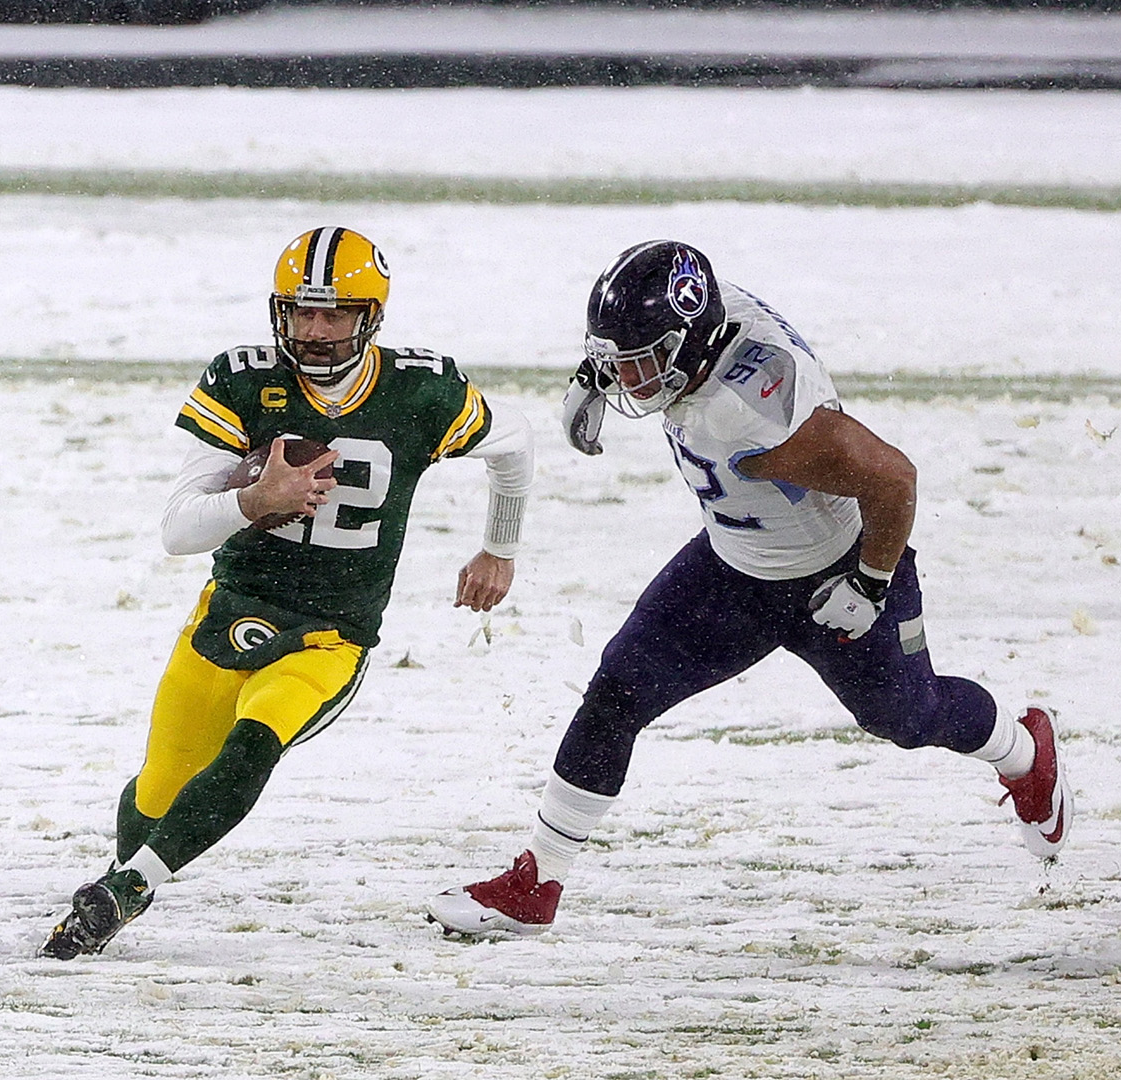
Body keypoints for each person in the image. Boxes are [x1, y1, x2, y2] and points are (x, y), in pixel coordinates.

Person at [428, 240, 1071, 937]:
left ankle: (1025, 752)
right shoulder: (707, 311)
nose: (629, 381)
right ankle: (540, 881)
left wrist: (871, 580)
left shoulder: (752, 412)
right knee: (618, 690)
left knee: (907, 718)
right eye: (619, 362)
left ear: (690, 343)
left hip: (835, 575)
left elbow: (894, 479)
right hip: (735, 564)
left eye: (638, 366)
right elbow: (658, 327)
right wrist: (600, 372)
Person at [45, 226, 533, 958]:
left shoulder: (420, 390)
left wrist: (499, 546)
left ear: (371, 317)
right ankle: (125, 879)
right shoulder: (244, 381)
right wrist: (253, 500)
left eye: (335, 313)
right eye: (301, 311)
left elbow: (514, 443)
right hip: (232, 609)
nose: (314, 329)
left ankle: (130, 888)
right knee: (158, 794)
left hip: (330, 633)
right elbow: (177, 530)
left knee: (255, 741)